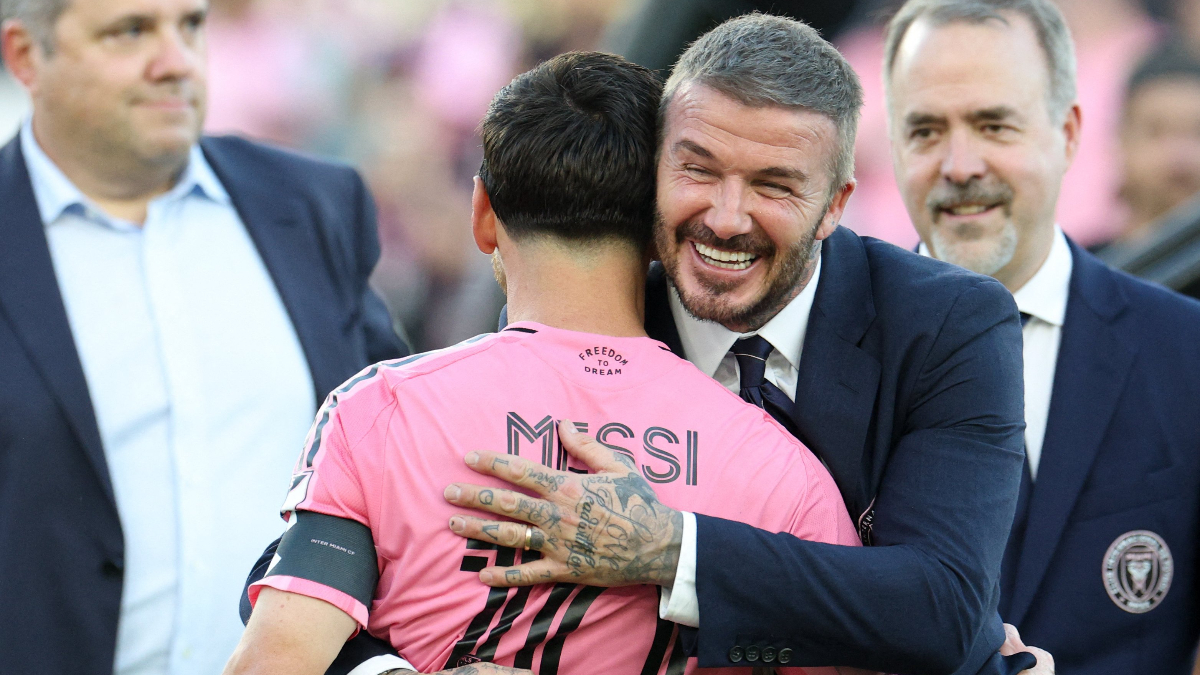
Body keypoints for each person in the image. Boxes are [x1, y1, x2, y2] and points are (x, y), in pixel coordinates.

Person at [432, 13, 1050, 675]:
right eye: (698, 170)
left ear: (835, 203)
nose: (726, 219)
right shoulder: (584, 318)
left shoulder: (947, 324)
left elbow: (938, 609)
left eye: (773, 185)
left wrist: (673, 550)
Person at [223, 51, 863, 675]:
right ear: (658, 226)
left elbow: (275, 661)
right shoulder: (785, 470)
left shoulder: (381, 409)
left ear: (482, 214)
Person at [0, 0, 405, 673]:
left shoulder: (311, 206)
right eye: (130, 30)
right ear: (25, 56)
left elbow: (399, 454)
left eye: (190, 25)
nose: (176, 62)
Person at [882, 0, 1200, 672]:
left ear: (1069, 131)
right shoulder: (823, 358)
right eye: (926, 130)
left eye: (993, 125)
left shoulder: (1187, 354)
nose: (960, 164)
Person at [1108, 46, 1200, 248]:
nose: (1180, 155)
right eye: (1156, 132)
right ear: (1122, 142)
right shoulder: (1081, 264)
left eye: (1197, 133)